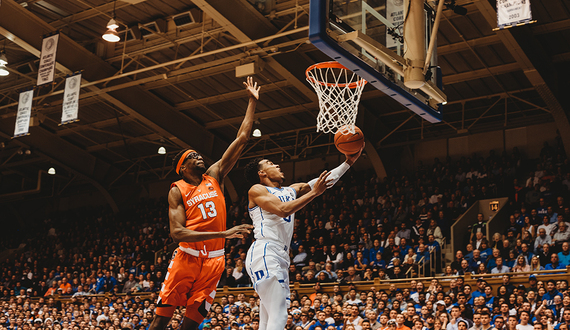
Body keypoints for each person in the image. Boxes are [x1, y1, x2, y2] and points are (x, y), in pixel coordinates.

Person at [148, 77, 260, 330]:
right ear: (183, 167)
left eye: (199, 155)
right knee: (160, 320)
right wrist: (224, 233)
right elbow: (177, 233)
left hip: (215, 260)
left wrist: (252, 101)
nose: (200, 157)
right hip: (187, 257)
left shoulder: (215, 175)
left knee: (192, 324)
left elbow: (242, 138)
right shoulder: (178, 190)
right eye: (193, 156)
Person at [243, 145, 363, 330]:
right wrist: (315, 193)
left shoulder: (291, 190)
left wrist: (348, 162)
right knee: (280, 314)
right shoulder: (257, 189)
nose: (277, 164)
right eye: (270, 163)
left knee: (267, 319)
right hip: (265, 251)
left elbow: (322, 181)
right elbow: (283, 210)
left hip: (281, 256)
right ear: (261, 173)